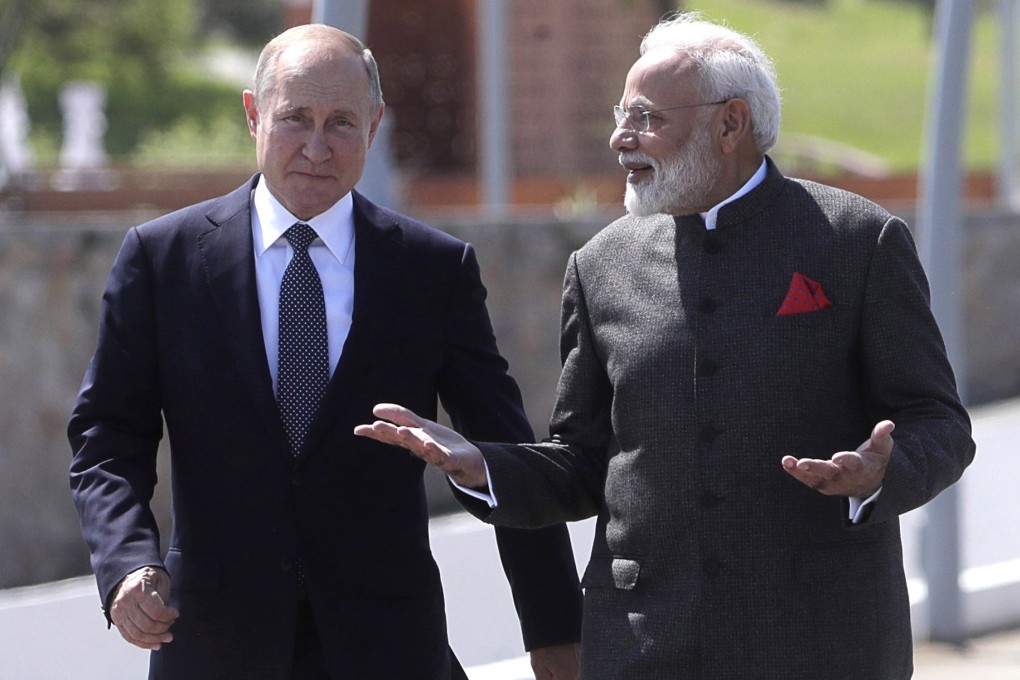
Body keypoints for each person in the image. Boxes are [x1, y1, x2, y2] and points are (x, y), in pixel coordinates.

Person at [355, 12, 976, 680]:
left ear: (730, 124)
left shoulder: (858, 241)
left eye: (646, 117)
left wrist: (881, 473)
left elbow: (940, 423)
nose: (620, 138)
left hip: (820, 644)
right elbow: (584, 462)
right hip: (642, 647)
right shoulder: (600, 265)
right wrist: (483, 465)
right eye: (621, 114)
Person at [68, 23, 582, 680]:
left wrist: (554, 630)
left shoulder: (431, 271)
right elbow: (109, 436)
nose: (317, 148)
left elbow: (503, 451)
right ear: (254, 115)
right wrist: (126, 562)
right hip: (216, 646)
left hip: (389, 650)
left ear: (374, 127)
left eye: (341, 123)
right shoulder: (162, 260)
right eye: (295, 119)